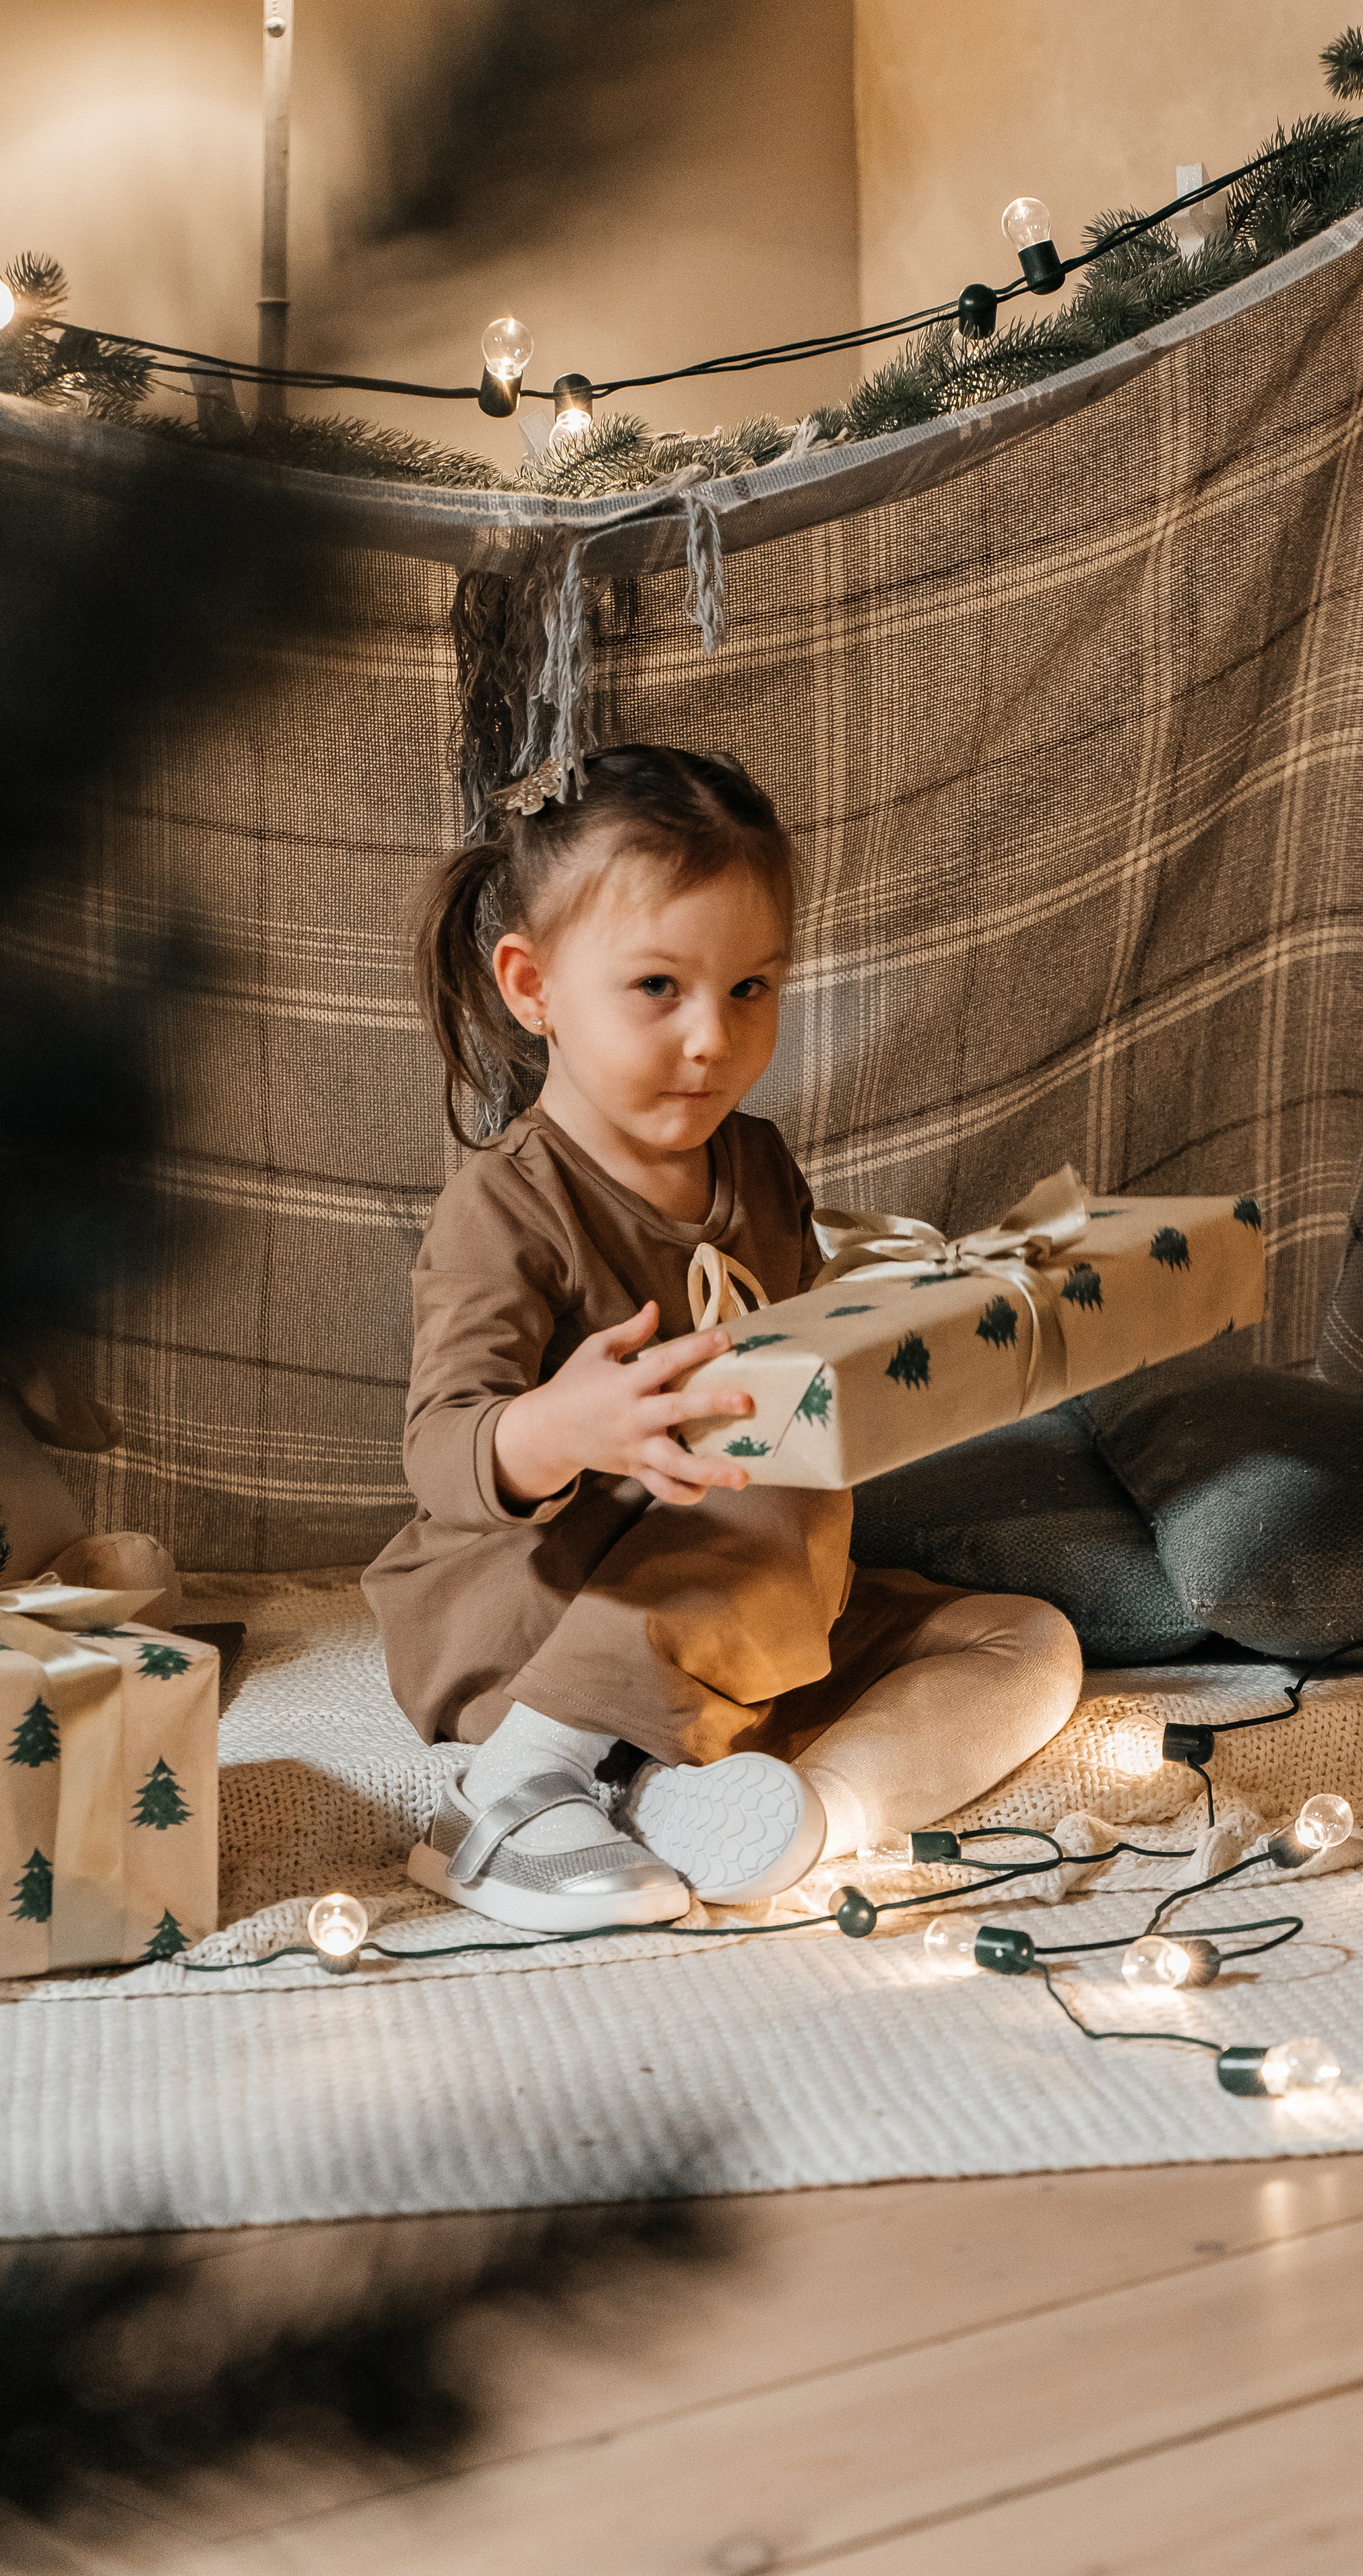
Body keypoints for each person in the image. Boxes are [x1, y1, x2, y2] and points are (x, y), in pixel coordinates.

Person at [364, 746, 1081, 1931]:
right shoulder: (507, 1203)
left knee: (1027, 1642)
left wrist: (935, 1332)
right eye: (658, 987)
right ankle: (515, 1787)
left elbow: (805, 1372)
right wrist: (561, 1427)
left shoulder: (756, 1160)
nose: (713, 1037)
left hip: (756, 1612)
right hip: (544, 1615)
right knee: (755, 1471)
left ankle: (789, 1815)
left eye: (752, 989)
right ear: (531, 986)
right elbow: (442, 1452)